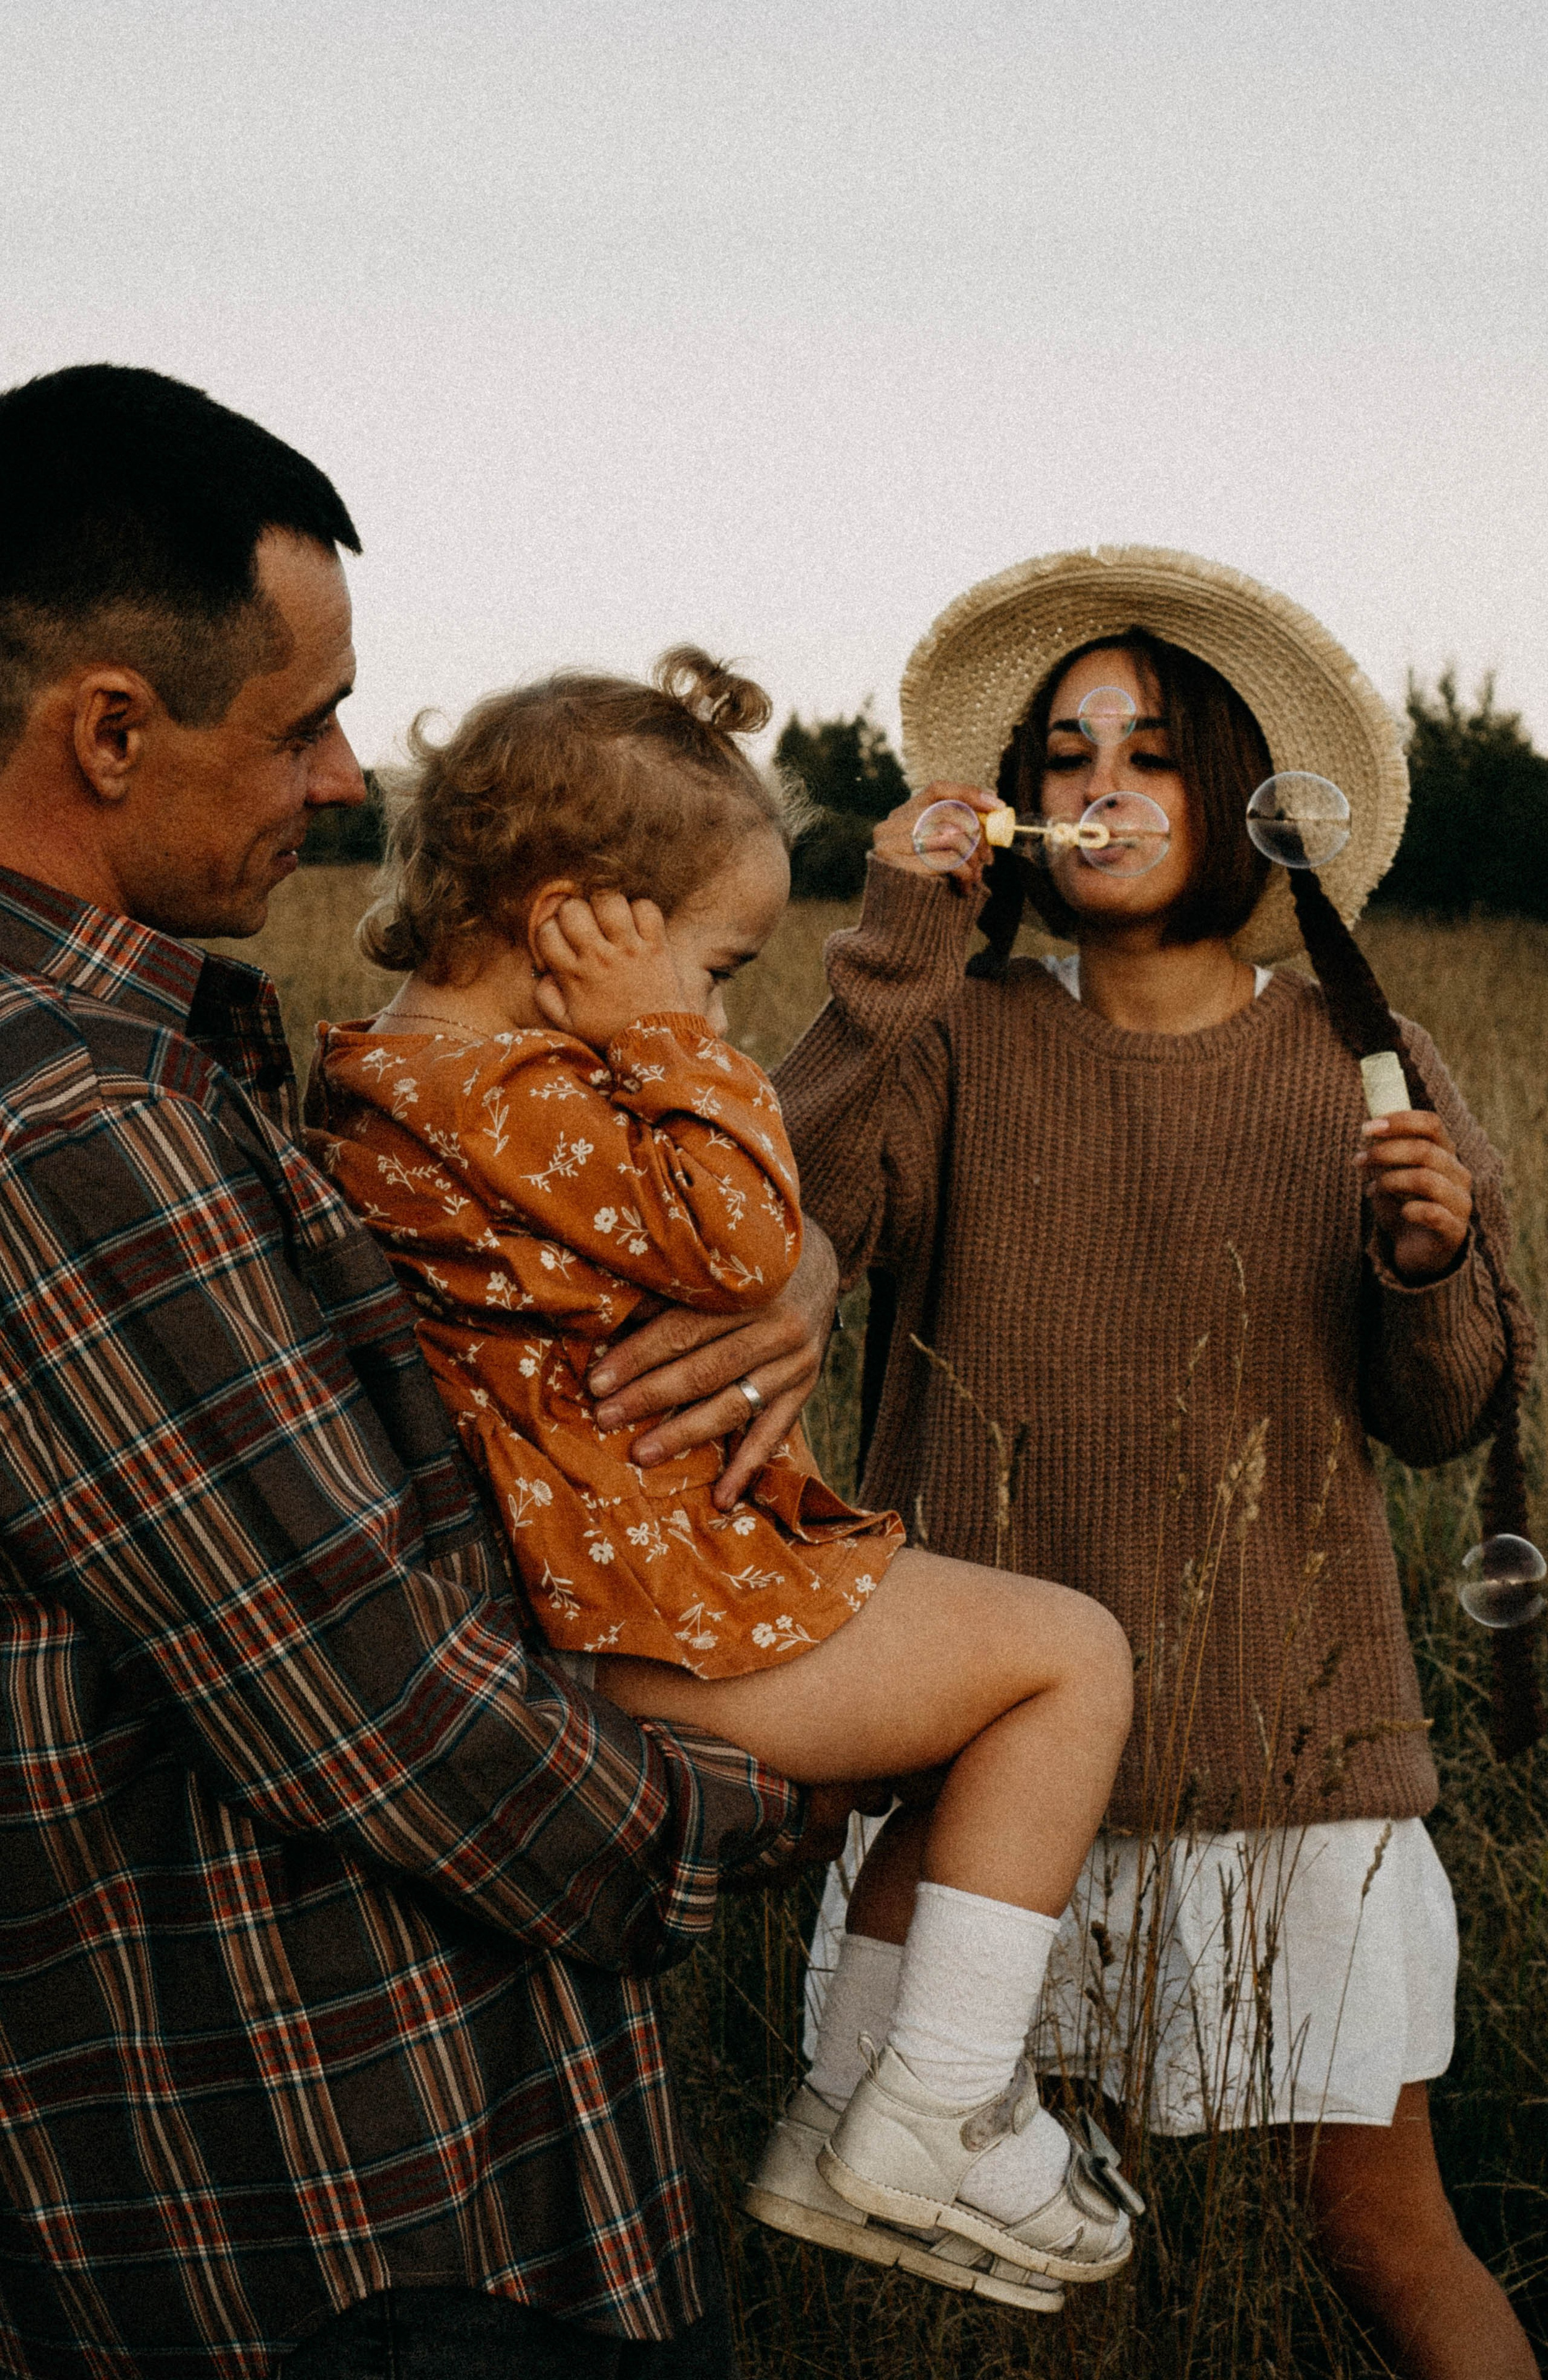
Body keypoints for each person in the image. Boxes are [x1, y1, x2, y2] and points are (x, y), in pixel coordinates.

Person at [0, 361, 851, 2380]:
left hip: (441, 2199)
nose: (348, 777)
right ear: (110, 730)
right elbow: (369, 1700)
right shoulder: (67, 1121)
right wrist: (790, 1795)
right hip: (354, 2234)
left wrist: (787, 1265)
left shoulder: (171, 1050)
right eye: (302, 723)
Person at [775, 547, 1541, 2380]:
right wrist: (895, 943)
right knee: (950, 2264)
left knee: (1375, 2228)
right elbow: (776, 1235)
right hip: (982, 1780)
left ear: (1244, 800)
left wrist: (1432, 1264)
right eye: (1061, 753)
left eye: (1153, 752)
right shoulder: (956, 1038)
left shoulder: (1364, 1057)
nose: (1096, 786)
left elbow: (1445, 1417)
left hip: (1300, 1761)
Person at [312, 653, 1142, 2316]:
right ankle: (940, 2112)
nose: (719, 1005)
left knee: (958, 1747)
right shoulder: (524, 1097)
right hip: (655, 1612)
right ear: (580, 929)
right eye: (716, 963)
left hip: (609, 1588)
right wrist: (670, 1042)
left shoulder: (380, 1081)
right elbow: (748, 1240)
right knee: (1072, 1657)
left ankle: (851, 2113)